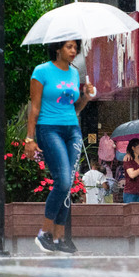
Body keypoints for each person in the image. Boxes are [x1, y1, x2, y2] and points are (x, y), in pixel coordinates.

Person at [25, 38, 95, 254]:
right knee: (62, 181)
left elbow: (75, 108)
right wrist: (29, 139)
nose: (74, 51)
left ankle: (59, 239)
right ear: (58, 49)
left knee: (70, 183)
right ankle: (44, 233)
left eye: (75, 47)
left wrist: (85, 96)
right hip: (49, 129)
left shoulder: (75, 74)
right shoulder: (42, 71)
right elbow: (34, 107)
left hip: (72, 130)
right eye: (69, 47)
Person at [122, 139, 139, 203]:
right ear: (133, 148)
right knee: (130, 212)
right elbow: (132, 175)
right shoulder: (128, 159)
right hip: (130, 192)